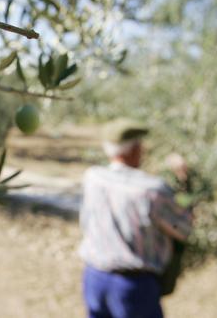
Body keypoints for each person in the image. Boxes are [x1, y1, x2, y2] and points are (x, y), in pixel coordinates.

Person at [79, 118, 193, 318]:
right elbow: (184, 229)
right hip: (134, 287)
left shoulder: (92, 178)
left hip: (94, 279)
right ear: (135, 149)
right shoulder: (152, 190)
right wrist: (184, 182)